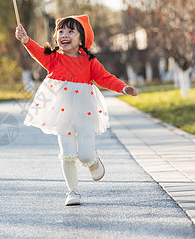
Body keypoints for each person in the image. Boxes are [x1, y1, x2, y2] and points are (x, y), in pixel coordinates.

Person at [15, 14, 137, 206]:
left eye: (71, 31)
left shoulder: (89, 61)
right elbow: (37, 52)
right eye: (61, 31)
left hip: (85, 112)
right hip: (61, 113)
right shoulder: (53, 59)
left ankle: (93, 161)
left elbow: (105, 78)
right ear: (56, 37)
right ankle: (72, 191)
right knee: (67, 152)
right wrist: (26, 40)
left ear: (82, 39)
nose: (65, 34)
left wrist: (123, 88)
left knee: (85, 154)